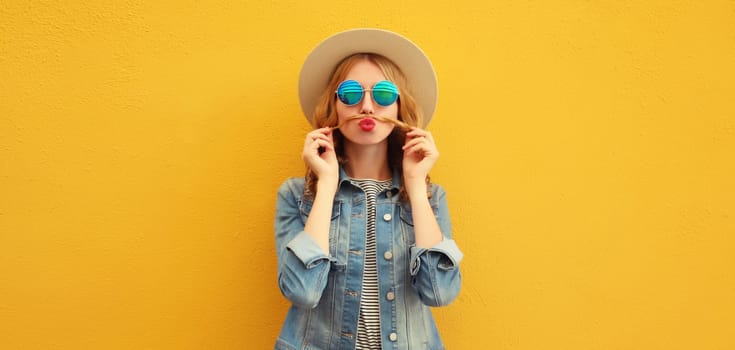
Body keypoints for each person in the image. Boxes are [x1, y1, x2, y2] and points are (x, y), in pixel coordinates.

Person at [274, 28, 463, 350]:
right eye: (350, 94)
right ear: (334, 107)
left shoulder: (431, 197)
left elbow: (440, 292)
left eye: (384, 94)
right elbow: (303, 291)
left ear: (399, 108)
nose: (366, 107)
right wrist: (327, 183)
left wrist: (416, 187)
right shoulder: (296, 196)